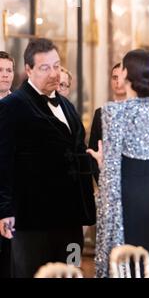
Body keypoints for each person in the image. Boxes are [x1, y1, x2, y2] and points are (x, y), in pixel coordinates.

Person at [0, 38, 96, 278]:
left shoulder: (67, 105)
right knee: (33, 274)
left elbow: (75, 151)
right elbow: (3, 162)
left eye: (57, 65)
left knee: (71, 271)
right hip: (33, 221)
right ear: (29, 70)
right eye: (45, 67)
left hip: (72, 219)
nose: (53, 73)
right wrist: (4, 210)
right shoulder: (13, 105)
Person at [88, 49, 149, 278]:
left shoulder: (113, 112)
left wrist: (101, 162)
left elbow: (113, 170)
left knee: (129, 263)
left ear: (125, 73)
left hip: (129, 198)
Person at [89, 63, 127, 182]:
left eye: (122, 78)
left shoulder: (140, 113)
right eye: (114, 77)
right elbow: (94, 153)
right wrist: (103, 182)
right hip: (107, 181)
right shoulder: (100, 114)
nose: (118, 82)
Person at [0, 51, 14, 278]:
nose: (5, 75)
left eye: (9, 70)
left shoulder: (22, 106)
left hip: (14, 200)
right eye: (0, 70)